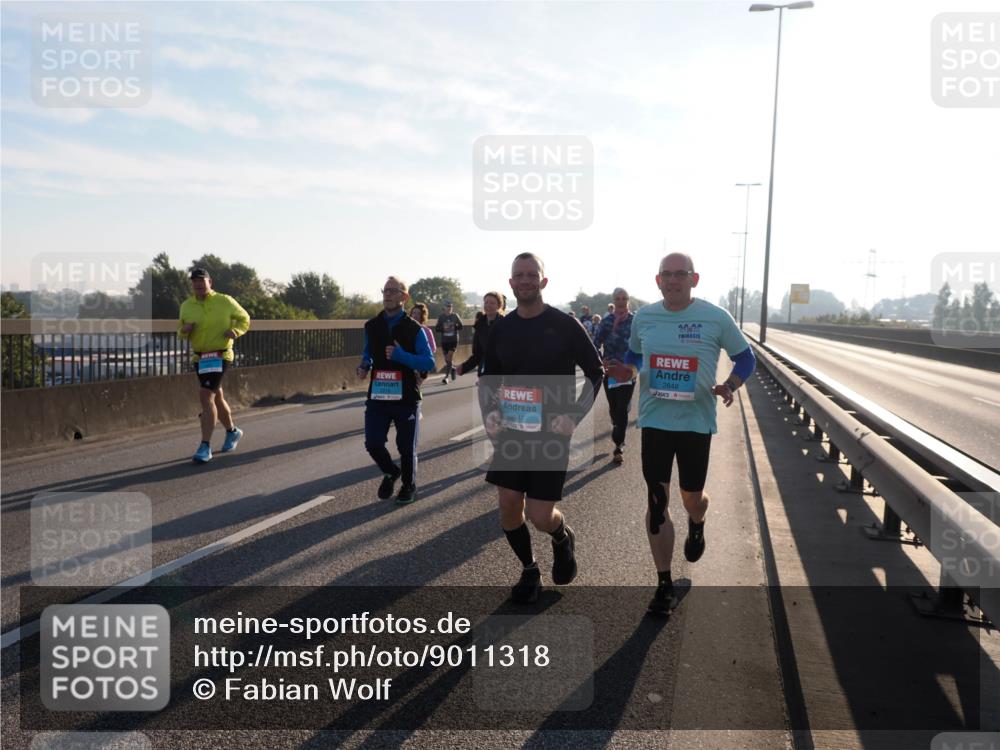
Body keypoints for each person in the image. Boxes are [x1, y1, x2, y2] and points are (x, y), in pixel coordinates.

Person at [607, 254, 756, 616]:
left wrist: (730, 384)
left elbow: (746, 357)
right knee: (657, 501)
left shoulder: (716, 317)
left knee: (692, 498)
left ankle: (698, 522)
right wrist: (628, 370)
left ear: (695, 278)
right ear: (658, 280)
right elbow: (635, 354)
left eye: (681, 274)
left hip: (696, 424)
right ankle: (663, 584)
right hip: (656, 422)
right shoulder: (645, 317)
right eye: (667, 275)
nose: (673, 280)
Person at [482, 253, 604, 603]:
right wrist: (490, 412)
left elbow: (596, 372)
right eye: (518, 275)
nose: (525, 280)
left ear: (543, 281)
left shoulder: (564, 325)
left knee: (539, 515)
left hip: (552, 434)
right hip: (513, 432)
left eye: (532, 274)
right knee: (508, 504)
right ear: (510, 283)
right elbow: (489, 378)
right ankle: (529, 569)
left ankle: (562, 536)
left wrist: (574, 416)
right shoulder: (501, 328)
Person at [357, 277, 436, 505]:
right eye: (385, 290)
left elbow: (428, 363)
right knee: (372, 443)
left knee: (405, 446)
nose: (388, 295)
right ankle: (391, 471)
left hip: (407, 397)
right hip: (379, 394)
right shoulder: (372, 326)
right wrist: (364, 365)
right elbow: (368, 353)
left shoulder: (414, 329)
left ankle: (409, 485)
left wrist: (401, 356)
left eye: (393, 291)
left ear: (404, 297)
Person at [177, 267, 250, 464]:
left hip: (221, 354)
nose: (198, 284)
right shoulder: (186, 306)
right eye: (194, 281)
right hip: (200, 357)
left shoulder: (225, 301)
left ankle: (204, 446)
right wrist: (184, 330)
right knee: (216, 396)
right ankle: (232, 432)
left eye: (201, 280)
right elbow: (180, 332)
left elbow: (245, 319)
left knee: (205, 394)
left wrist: (236, 330)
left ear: (210, 282)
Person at [593, 288, 635, 465]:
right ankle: (617, 419)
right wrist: (601, 361)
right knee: (614, 408)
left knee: (622, 407)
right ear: (613, 300)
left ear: (628, 300)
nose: (621, 301)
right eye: (617, 298)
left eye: (624, 298)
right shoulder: (607, 321)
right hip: (609, 370)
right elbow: (595, 343)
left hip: (627, 370)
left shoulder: (635, 321)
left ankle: (618, 445)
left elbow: (641, 343)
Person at [409, 302, 437, 387]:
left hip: (421, 366)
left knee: (416, 387)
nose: (415, 315)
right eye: (414, 313)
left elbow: (433, 348)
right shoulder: (405, 329)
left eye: (418, 313)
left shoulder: (427, 331)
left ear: (422, 315)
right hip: (408, 362)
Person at [435, 301, 463, 384]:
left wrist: (454, 327)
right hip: (444, 341)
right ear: (444, 308)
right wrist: (444, 328)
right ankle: (453, 368)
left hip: (453, 340)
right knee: (447, 360)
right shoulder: (441, 317)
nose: (449, 308)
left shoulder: (455, 316)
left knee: (449, 357)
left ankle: (446, 377)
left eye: (450, 306)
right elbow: (437, 329)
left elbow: (461, 327)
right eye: (447, 306)